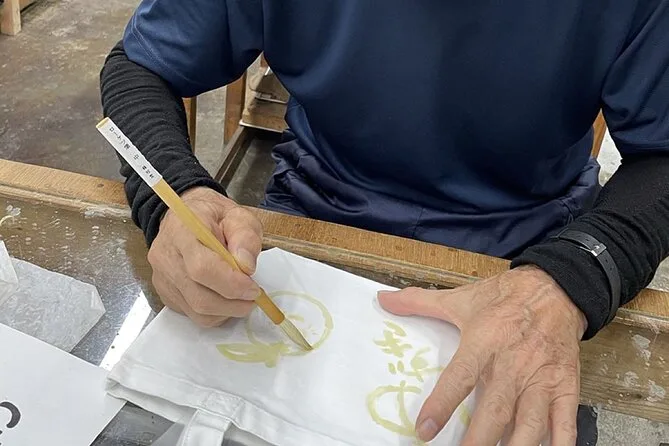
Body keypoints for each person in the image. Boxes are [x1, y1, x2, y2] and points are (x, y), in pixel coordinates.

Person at [99, 1, 669, 444]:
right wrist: (176, 197)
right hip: (311, 218)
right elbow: (141, 67)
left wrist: (575, 275)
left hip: (528, 256)